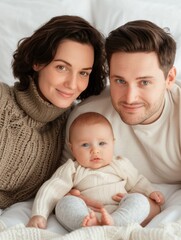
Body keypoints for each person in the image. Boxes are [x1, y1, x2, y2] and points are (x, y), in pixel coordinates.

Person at [62, 20, 181, 228]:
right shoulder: (88, 116)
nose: (130, 97)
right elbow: (67, 185)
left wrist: (149, 206)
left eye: (144, 82)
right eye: (119, 81)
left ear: (169, 78)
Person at [0, 15, 107, 230]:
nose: (72, 84)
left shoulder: (73, 125)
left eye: (83, 73)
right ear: (38, 61)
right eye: (62, 67)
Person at [27, 112, 164, 231]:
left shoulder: (120, 164)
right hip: (86, 213)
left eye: (102, 143)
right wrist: (39, 213)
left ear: (113, 143)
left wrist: (150, 191)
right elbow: (52, 189)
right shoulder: (73, 169)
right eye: (85, 145)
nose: (95, 150)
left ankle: (114, 223)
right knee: (65, 203)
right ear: (72, 148)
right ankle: (85, 225)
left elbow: (137, 181)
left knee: (139, 200)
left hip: (120, 211)